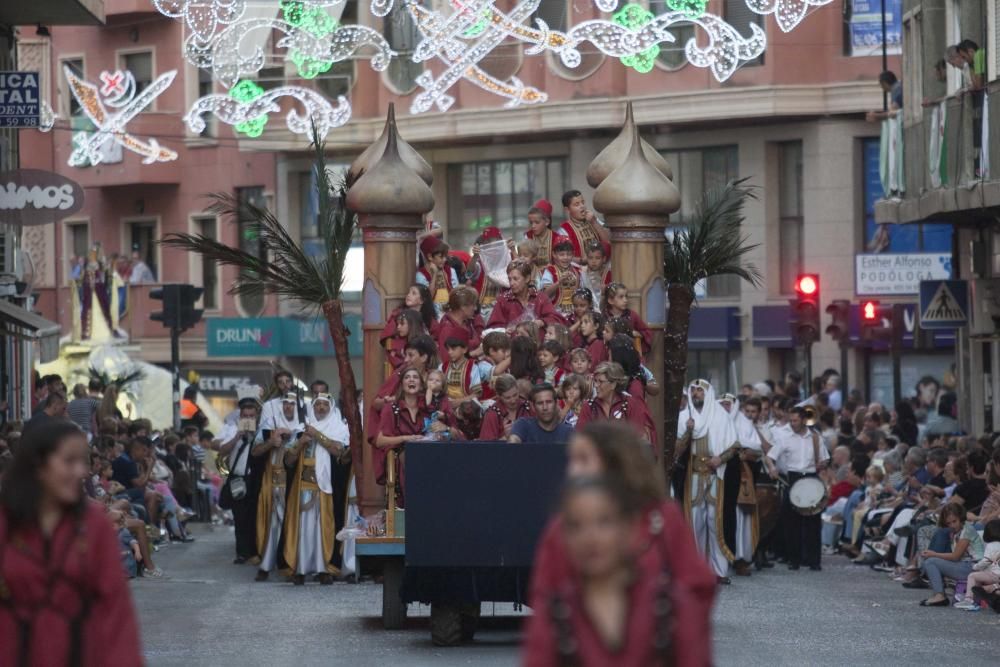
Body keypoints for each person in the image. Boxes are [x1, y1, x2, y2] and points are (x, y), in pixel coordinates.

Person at [523, 422, 716, 666]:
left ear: (614, 460)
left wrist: (680, 625)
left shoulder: (662, 518)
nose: (572, 470)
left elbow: (698, 585)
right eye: (571, 460)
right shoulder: (564, 527)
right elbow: (545, 591)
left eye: (583, 459)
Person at [0, 421, 142, 666]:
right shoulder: (6, 524)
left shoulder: (95, 526)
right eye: (69, 461)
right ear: (38, 465)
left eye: (83, 462)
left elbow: (116, 611)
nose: (81, 472)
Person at [674, 379, 741, 583]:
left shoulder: (721, 417)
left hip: (715, 476)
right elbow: (677, 451)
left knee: (715, 523)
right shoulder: (685, 417)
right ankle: (696, 570)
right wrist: (688, 431)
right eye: (693, 390)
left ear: (708, 393)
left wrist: (720, 459)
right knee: (695, 524)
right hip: (692, 477)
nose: (696, 394)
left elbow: (734, 445)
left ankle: (719, 571)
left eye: (700, 390)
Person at [283, 394, 349, 585]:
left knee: (323, 528)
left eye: (324, 405)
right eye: (317, 404)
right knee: (303, 529)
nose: (320, 408)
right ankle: (301, 568)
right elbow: (288, 460)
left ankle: (324, 569)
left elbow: (339, 452)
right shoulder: (300, 430)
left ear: (331, 407)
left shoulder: (338, 428)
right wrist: (301, 442)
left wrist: (317, 435)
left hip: (325, 486)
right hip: (303, 486)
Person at [764, 406, 830, 571]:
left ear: (803, 420)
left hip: (811, 477)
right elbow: (769, 456)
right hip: (792, 478)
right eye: (790, 420)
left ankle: (814, 560)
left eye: (795, 420)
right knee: (791, 521)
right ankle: (794, 559)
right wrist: (772, 468)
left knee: (813, 521)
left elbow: (825, 459)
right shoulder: (785, 438)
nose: (792, 424)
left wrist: (822, 464)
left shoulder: (816, 438)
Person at [216, 393, 263, 565]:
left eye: (252, 416)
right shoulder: (233, 429)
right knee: (240, 517)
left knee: (255, 516)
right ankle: (242, 552)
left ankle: (255, 551)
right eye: (245, 416)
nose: (249, 418)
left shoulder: (262, 430)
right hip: (238, 478)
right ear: (240, 415)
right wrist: (237, 436)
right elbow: (222, 449)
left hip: (256, 478)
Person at [374, 368, 428, 507]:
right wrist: (405, 438)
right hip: (401, 456)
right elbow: (380, 441)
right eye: (407, 377)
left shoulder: (428, 409)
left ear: (421, 385)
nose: (411, 380)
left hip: (428, 455)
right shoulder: (391, 408)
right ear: (402, 384)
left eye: (415, 377)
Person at [918, 503, 985, 606]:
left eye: (954, 521)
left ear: (961, 518)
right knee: (930, 561)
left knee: (931, 562)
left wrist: (934, 554)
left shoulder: (967, 530)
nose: (952, 525)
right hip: (965, 565)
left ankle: (939, 595)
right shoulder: (955, 531)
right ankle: (938, 593)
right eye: (949, 523)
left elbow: (955, 556)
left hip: (973, 567)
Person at [577, 362, 656, 445]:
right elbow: (580, 437)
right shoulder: (589, 406)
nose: (596, 385)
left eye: (600, 381)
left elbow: (637, 437)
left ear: (613, 384)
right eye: (595, 381)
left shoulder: (630, 404)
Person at [486, 259, 564, 333]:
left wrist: (541, 322)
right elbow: (493, 328)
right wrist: (504, 331)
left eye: (515, 279)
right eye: (509, 279)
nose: (511, 283)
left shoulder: (540, 298)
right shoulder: (503, 300)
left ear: (527, 278)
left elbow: (555, 319)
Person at [955, 519, 1000, 610]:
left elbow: (986, 561)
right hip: (997, 577)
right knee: (980, 576)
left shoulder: (991, 545)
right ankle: (978, 597)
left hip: (994, 575)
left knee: (972, 576)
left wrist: (975, 566)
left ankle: (968, 599)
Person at [508, 383, 574, 444]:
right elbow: (513, 444)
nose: (545, 407)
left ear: (556, 403)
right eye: (540, 403)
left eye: (549, 402)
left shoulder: (568, 432)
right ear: (533, 406)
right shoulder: (523, 425)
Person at [559, 189, 610, 263]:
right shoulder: (564, 230)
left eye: (583, 202)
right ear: (567, 209)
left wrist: (594, 222)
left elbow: (608, 241)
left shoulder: (593, 220)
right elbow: (562, 257)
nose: (582, 206)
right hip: (580, 271)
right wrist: (582, 261)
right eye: (577, 204)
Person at [479, 374, 533, 441]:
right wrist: (505, 437)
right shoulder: (492, 414)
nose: (513, 400)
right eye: (508, 398)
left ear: (518, 390)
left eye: (515, 395)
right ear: (499, 396)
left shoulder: (528, 407)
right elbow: (485, 448)